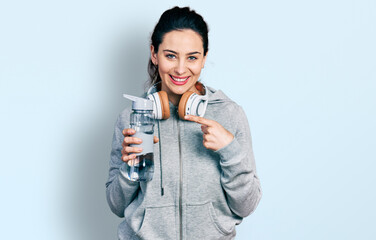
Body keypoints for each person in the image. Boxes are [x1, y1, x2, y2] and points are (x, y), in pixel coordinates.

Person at [106, 6, 262, 240]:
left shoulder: (230, 115)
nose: (180, 68)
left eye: (192, 57)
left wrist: (230, 150)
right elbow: (117, 205)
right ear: (154, 54)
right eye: (170, 55)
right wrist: (130, 168)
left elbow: (246, 206)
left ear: (204, 58)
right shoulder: (132, 118)